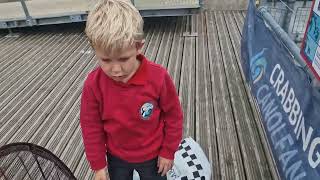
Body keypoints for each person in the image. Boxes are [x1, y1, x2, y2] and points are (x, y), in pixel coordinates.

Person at [80, 0, 183, 179]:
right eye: (105, 60)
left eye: (123, 59)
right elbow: (91, 126)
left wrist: (168, 151)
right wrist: (98, 165)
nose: (116, 70)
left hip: (154, 156)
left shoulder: (158, 77)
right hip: (116, 157)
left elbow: (173, 116)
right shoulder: (93, 85)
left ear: (139, 46)